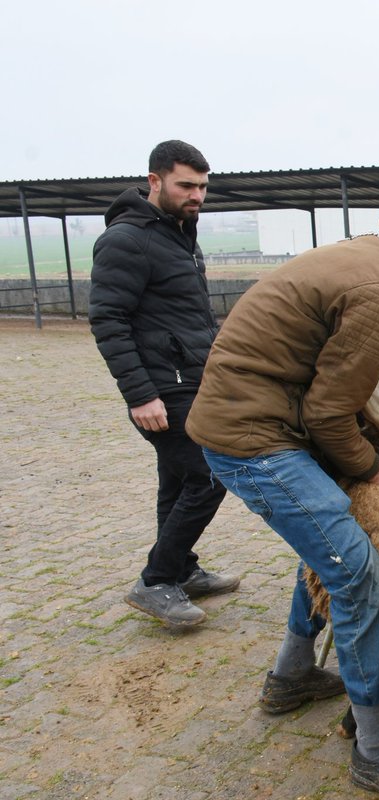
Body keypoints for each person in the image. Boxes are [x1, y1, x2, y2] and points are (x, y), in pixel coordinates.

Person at [187, 187, 379, 800]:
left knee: (328, 543)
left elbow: (337, 388)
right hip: (254, 436)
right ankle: (376, 751)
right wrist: (372, 468)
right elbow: (330, 409)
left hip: (264, 418)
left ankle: (292, 675)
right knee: (357, 570)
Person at [89, 140, 238, 628]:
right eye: (186, 185)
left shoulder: (179, 235)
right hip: (161, 387)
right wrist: (140, 394)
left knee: (177, 479)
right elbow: (108, 319)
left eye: (202, 187)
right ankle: (156, 581)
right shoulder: (126, 240)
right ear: (155, 181)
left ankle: (181, 569)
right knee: (210, 475)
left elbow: (187, 315)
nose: (197, 195)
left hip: (191, 380)